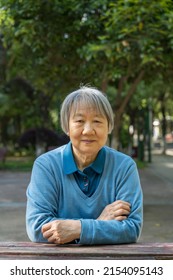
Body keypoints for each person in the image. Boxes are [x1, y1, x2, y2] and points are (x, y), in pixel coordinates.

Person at [26, 86, 143, 245]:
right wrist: (100, 221)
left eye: (97, 121)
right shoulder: (46, 166)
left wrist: (77, 229)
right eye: (79, 121)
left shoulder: (124, 166)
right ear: (67, 126)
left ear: (108, 126)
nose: (88, 130)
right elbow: (37, 228)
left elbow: (131, 229)